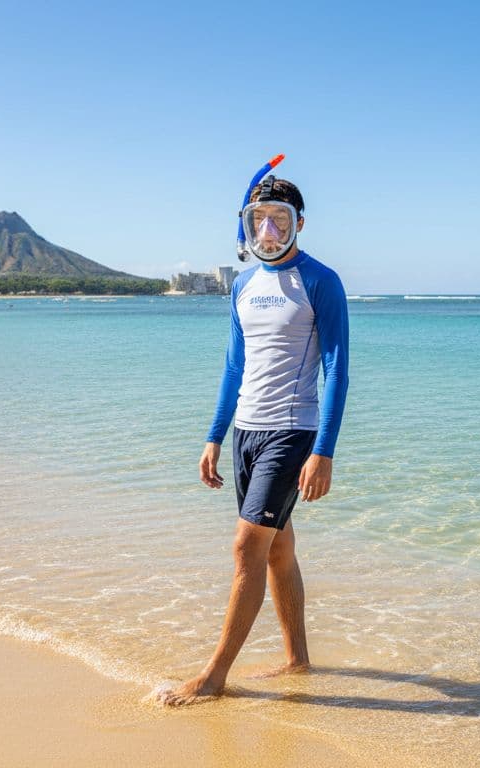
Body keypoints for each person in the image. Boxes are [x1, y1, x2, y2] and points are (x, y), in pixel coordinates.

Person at [157, 176, 349, 705]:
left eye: (281, 220)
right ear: (246, 225)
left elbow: (336, 368)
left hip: (293, 430)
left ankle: (214, 676)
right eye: (259, 220)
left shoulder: (321, 281)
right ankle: (297, 661)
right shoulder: (243, 285)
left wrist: (324, 450)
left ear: (299, 224)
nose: (269, 230)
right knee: (277, 549)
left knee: (247, 548)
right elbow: (233, 365)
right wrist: (214, 435)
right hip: (247, 430)